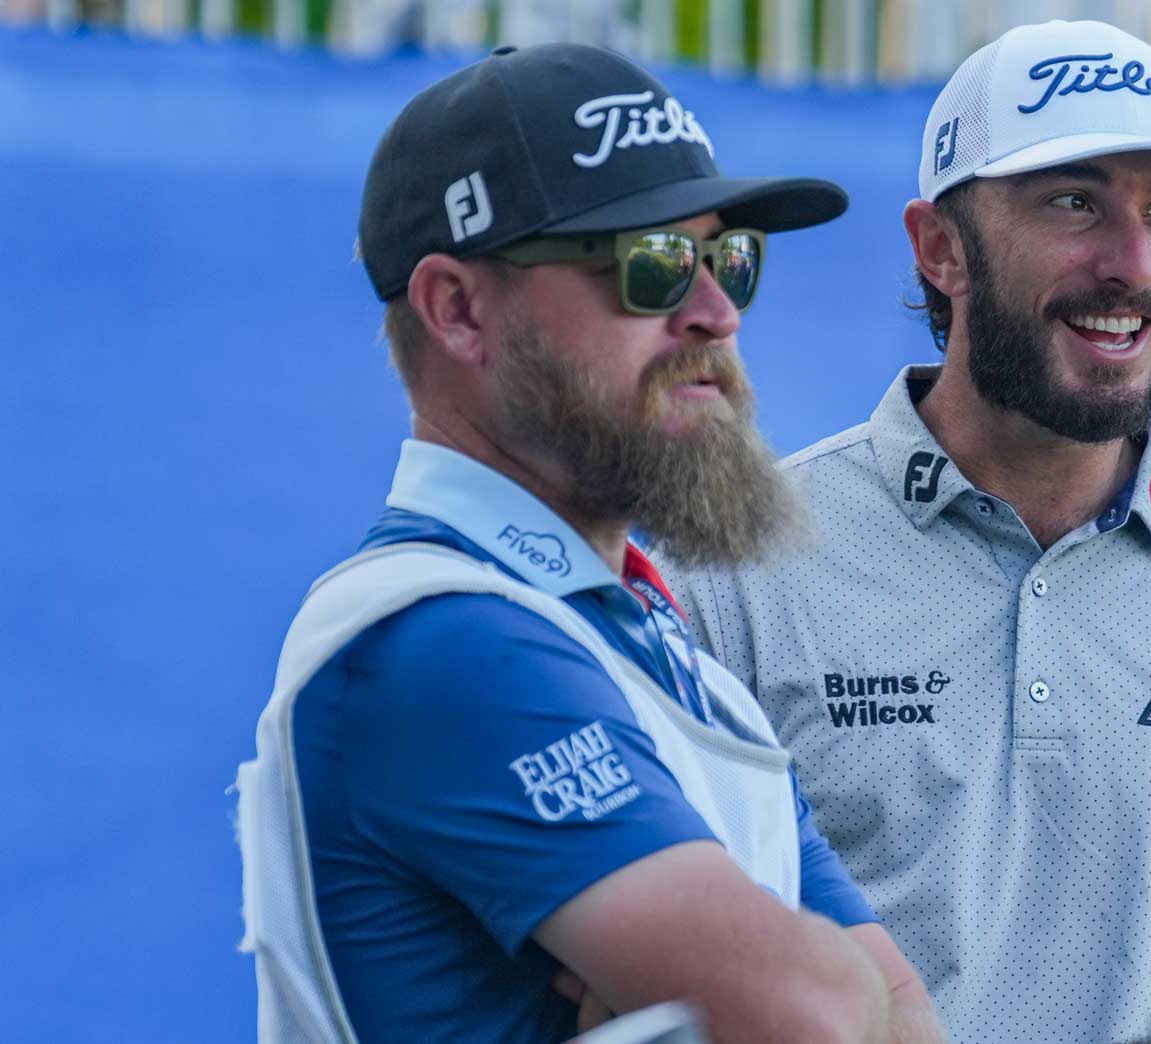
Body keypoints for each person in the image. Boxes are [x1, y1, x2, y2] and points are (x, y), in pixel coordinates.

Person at [656, 20, 1151, 1043]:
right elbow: (640, 976)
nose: (1132, 263)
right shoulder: (729, 565)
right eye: (1073, 202)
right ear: (939, 249)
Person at [232, 43, 942, 1044]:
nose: (715, 312)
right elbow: (819, 1013)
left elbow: (909, 1021)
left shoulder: (669, 660)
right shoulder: (441, 638)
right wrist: (798, 987)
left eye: (727, 257)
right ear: (458, 310)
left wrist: (766, 998)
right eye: (650, 263)